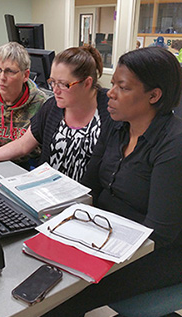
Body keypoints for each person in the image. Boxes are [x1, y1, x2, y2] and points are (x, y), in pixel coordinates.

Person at [41, 47, 182, 317]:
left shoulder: (174, 144)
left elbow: (159, 235)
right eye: (113, 83)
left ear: (154, 96)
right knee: (48, 272)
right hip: (105, 234)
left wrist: (95, 248)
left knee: (57, 297)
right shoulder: (117, 125)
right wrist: (63, 224)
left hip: (156, 252)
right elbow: (90, 187)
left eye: (123, 87)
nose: (111, 93)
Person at [0, 45, 110, 182]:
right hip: (46, 192)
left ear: (87, 83)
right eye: (52, 82)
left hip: (87, 200)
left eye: (63, 84)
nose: (55, 90)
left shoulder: (111, 114)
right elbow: (22, 145)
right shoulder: (52, 107)